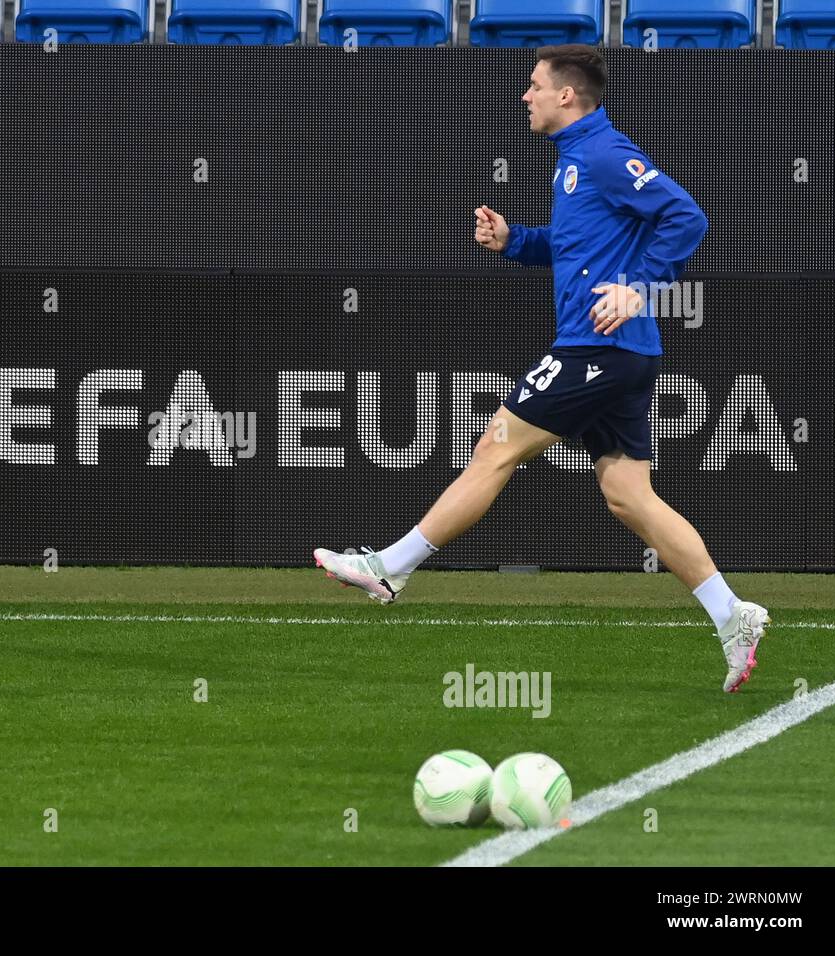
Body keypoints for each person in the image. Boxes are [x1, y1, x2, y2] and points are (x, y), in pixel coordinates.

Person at [313, 44, 769, 694]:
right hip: (623, 353)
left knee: (494, 450)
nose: (524, 96)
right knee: (628, 496)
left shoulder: (607, 154)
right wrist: (516, 241)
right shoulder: (575, 163)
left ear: (566, 95)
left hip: (596, 347)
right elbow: (578, 245)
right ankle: (733, 616)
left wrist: (639, 286)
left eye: (534, 86)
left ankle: (389, 567)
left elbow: (686, 215)